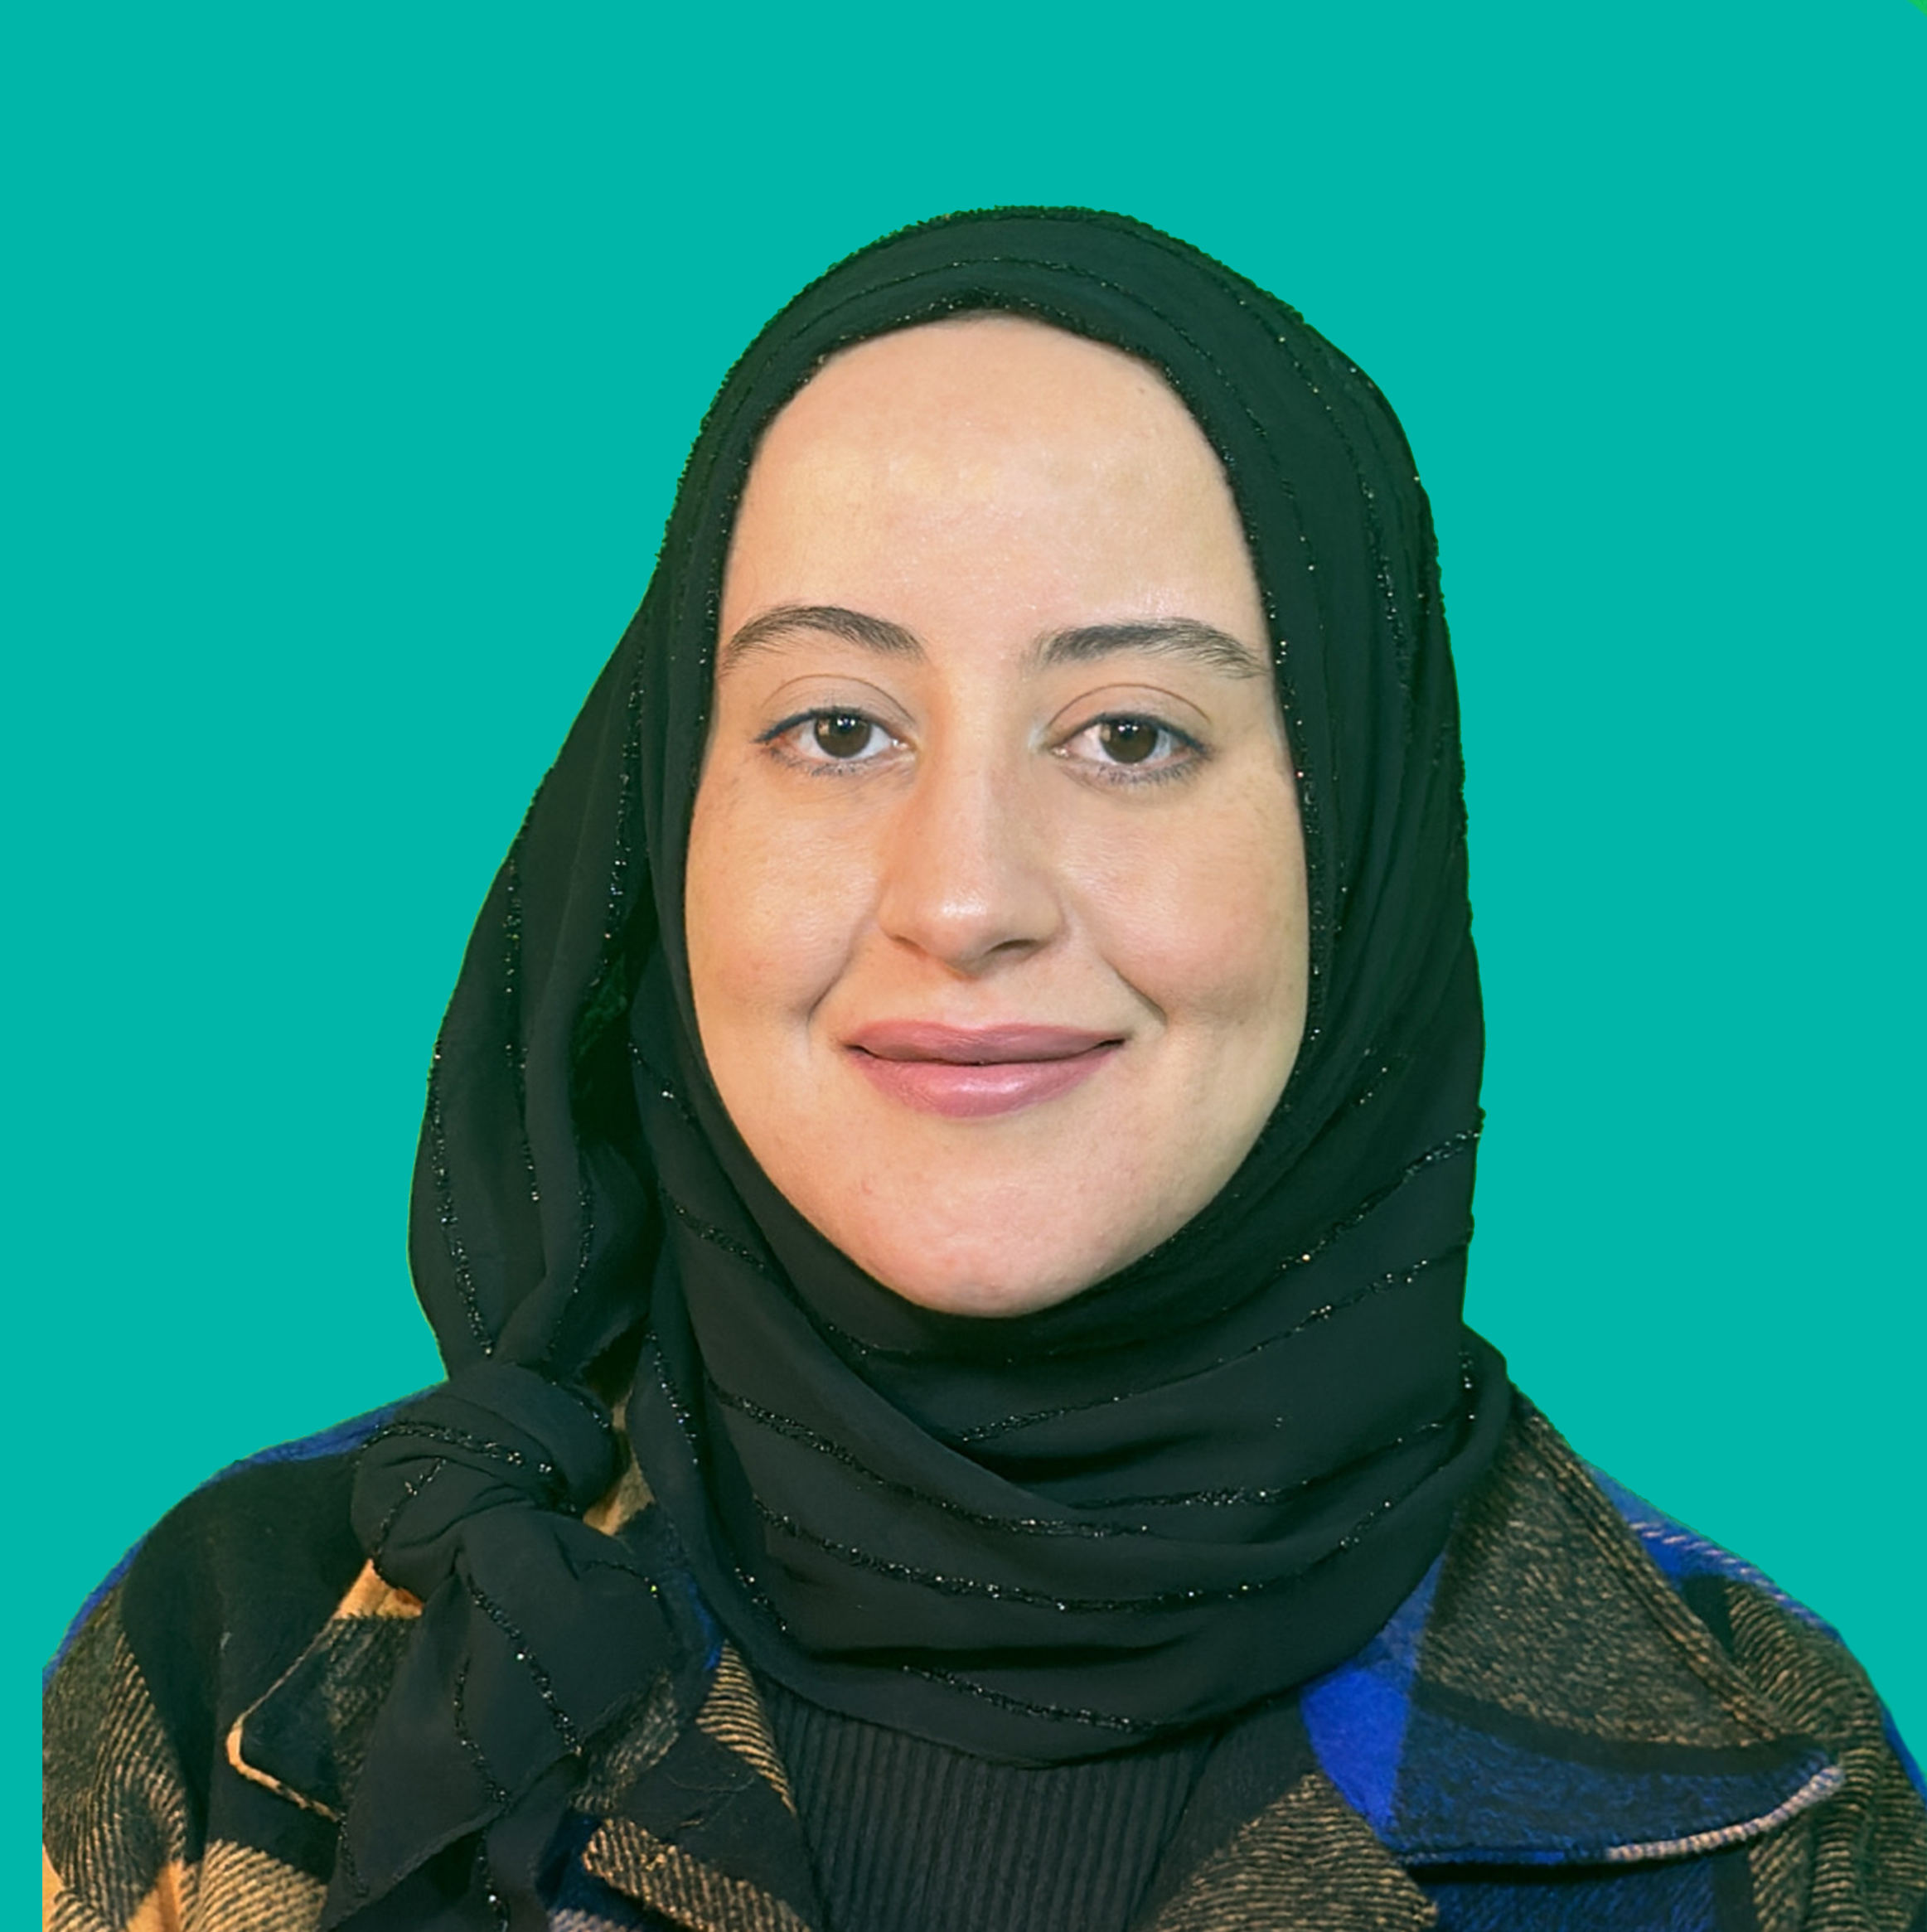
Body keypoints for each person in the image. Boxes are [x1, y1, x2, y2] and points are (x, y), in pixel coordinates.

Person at [41, 208, 1925, 1932]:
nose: (960, 898)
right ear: (664, 817)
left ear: (1355, 852)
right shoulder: (250, 1646)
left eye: (1129, 734)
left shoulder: (1763, 1794)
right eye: (833, 726)